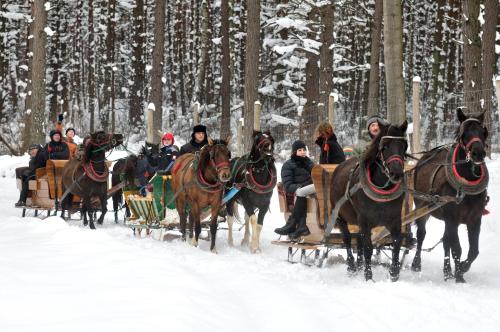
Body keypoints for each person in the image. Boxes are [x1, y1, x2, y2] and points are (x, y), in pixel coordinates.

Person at [275, 122, 346, 238]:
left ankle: (294, 224)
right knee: (301, 192)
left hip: (324, 186)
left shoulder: (318, 156)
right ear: (294, 152)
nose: (302, 152)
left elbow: (322, 172)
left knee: (302, 193)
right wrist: (301, 185)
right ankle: (298, 225)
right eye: (299, 150)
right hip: (312, 186)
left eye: (304, 149)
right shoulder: (288, 165)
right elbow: (288, 184)